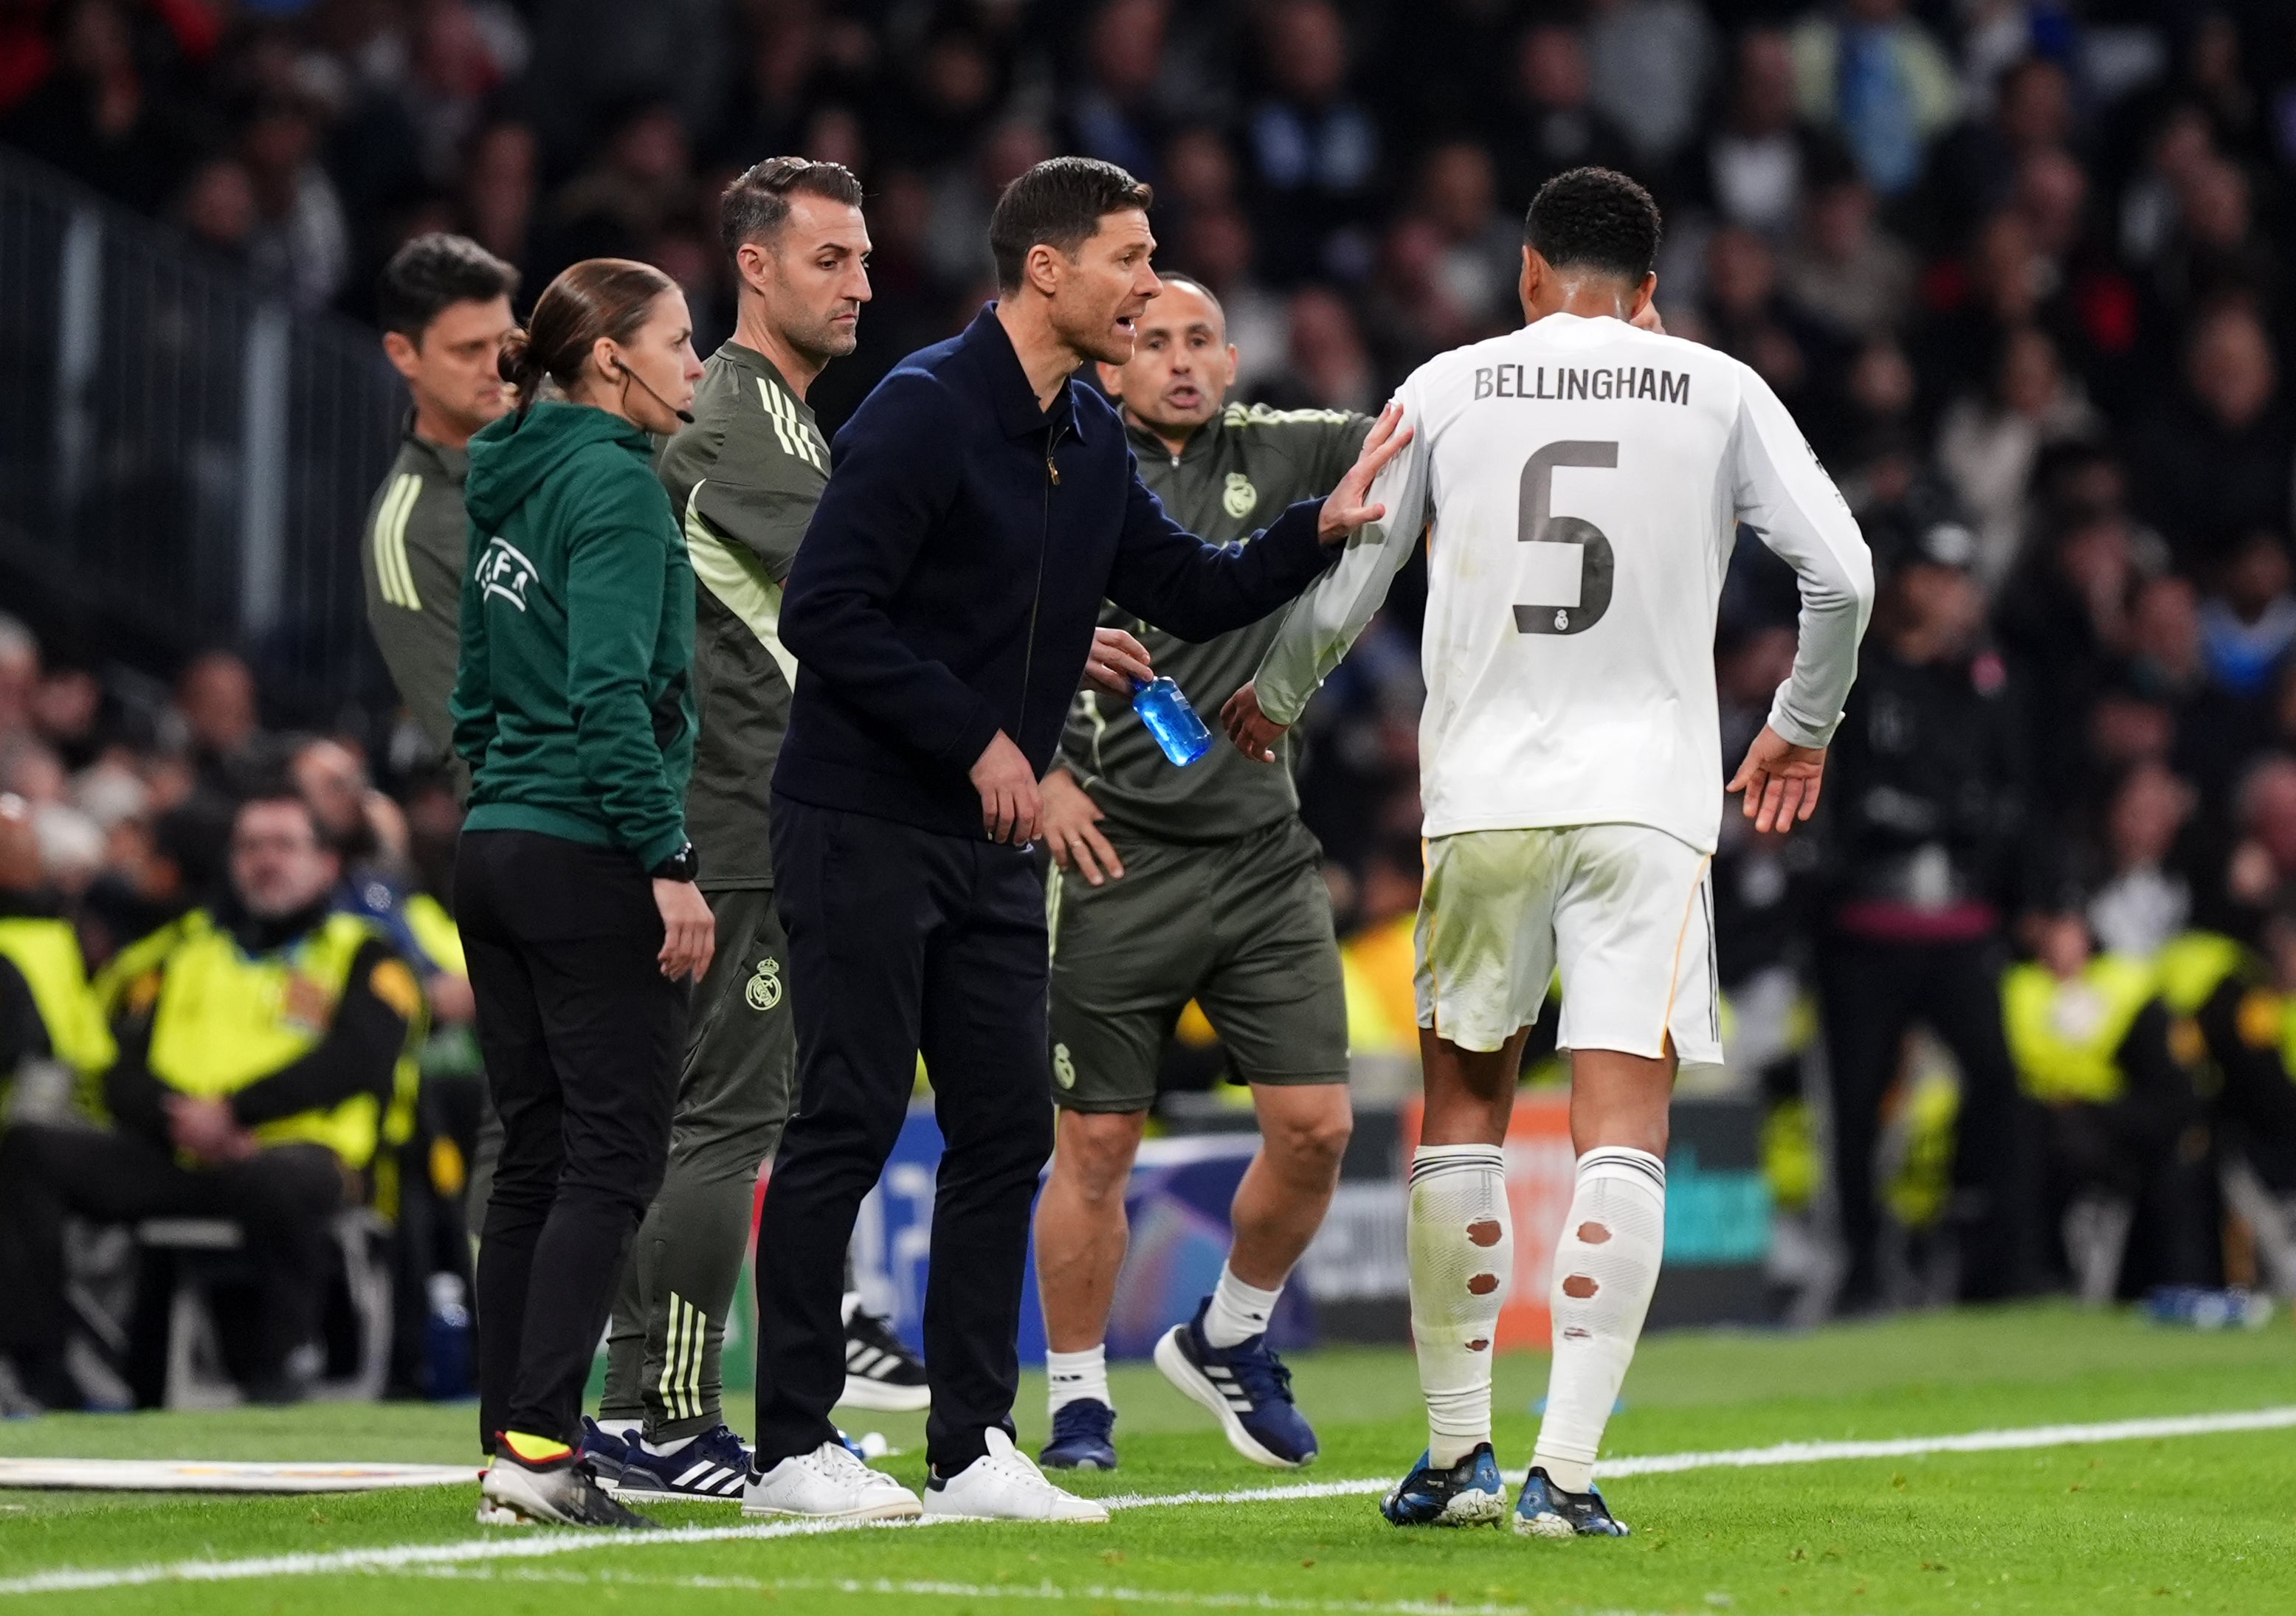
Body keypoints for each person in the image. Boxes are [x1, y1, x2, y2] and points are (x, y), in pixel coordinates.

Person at [746, 156, 1407, 1526]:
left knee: (1000, 1135)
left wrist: (1314, 530)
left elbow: (1184, 583)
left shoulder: (1085, 436)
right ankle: (793, 1448)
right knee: (847, 1122)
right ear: (1045, 270)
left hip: (986, 846)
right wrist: (983, 739)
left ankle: (975, 1444)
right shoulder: (924, 410)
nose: (1149, 284)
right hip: (867, 819)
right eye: (1129, 258)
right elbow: (827, 613)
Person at [1227, 168, 1872, 1536]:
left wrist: (1273, 697)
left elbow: (1355, 574)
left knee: (1462, 1102)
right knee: (1619, 1122)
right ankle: (1562, 1475)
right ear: (1648, 293)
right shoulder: (1714, 386)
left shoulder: (1451, 382)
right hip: (1647, 799)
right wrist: (1799, 727)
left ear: (1526, 274)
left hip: (1484, 799)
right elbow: (1847, 575)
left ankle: (1454, 1455)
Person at [581, 156, 925, 1505]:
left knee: (710, 1116)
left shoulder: (779, 421)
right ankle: (659, 1408)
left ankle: (648, 1400)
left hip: (735, 814)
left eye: (864, 258)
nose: (860, 283)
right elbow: (874, 591)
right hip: (738, 821)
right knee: (724, 1120)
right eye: (830, 259)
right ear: (757, 267)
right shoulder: (740, 422)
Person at [1032, 274, 1368, 1475]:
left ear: (1233, 362)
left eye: (1198, 342)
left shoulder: (1283, 451)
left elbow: (1433, 432)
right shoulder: (1061, 462)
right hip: (1112, 848)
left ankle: (1227, 1333)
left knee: (1317, 1126)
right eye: (1149, 340)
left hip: (1263, 851)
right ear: (1109, 364)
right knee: (1099, 1143)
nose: (1175, 360)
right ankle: (1077, 1404)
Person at [450, 257, 714, 1530]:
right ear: (610, 356)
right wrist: (668, 859)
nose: (697, 365)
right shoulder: (616, 485)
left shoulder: (506, 478)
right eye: (678, 342)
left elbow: (474, 693)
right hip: (585, 850)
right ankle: (545, 1452)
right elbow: (613, 696)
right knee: (612, 1154)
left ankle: (509, 1446)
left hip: (495, 841)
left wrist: (507, 793)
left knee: (537, 1158)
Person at [0, 787, 423, 1409]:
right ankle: (43, 1373)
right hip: (179, 1150)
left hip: (299, 1156)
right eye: (251, 846)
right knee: (31, 1150)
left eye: (285, 845)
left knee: (278, 1181)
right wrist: (180, 1119)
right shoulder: (181, 950)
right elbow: (119, 1063)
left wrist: (235, 1114)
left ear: (326, 864)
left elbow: (359, 1060)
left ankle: (275, 1370)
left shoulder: (363, 952)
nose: (266, 860)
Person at [1818, 523, 2040, 1312]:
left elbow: (2013, 798)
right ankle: (1860, 1268)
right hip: (1867, 925)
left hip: (1961, 922)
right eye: (1936, 574)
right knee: (1854, 1102)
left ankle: (1996, 1261)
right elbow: (1843, 805)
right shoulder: (1853, 674)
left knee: (1999, 1087)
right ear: (1904, 580)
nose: (1952, 591)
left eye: (1959, 576)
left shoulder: (1982, 681)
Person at [365, 233, 521, 779]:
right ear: (402, 353)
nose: (497, 367)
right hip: (578, 841)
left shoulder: (585, 426)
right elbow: (475, 745)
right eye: (467, 351)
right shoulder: (407, 532)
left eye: (505, 341)